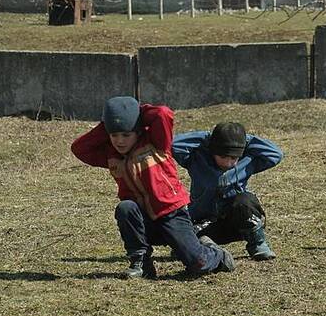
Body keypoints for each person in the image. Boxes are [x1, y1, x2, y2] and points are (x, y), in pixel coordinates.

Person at [71, 96, 235, 278]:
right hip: (143, 219)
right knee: (125, 208)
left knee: (198, 264)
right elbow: (79, 148)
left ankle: (216, 254)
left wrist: (135, 113)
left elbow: (163, 113)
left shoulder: (157, 142)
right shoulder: (110, 153)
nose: (120, 141)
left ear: (138, 130)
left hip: (171, 214)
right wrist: (110, 123)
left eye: (126, 134)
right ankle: (140, 262)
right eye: (114, 135)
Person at [172, 122, 283, 261]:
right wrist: (208, 138)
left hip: (237, 222)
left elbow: (275, 154)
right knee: (184, 240)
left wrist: (245, 141)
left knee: (245, 200)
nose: (228, 163)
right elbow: (173, 144)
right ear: (212, 150)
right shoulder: (196, 160)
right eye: (223, 157)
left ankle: (257, 244)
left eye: (234, 158)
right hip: (203, 223)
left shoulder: (248, 161)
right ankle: (204, 245)